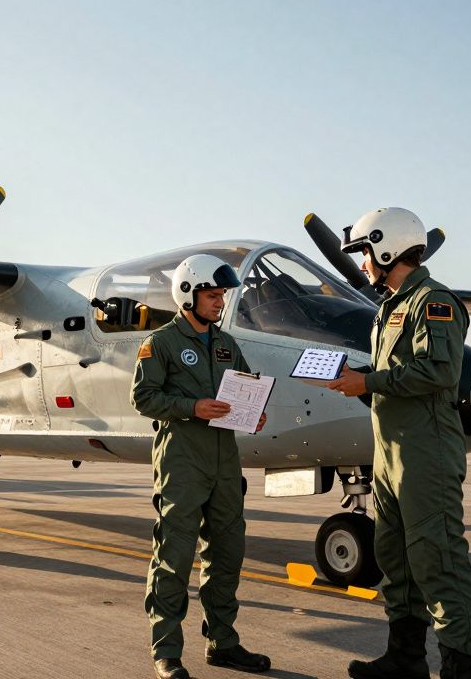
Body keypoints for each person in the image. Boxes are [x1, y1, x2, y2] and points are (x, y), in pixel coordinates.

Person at [327, 207, 471, 679]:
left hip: (424, 455)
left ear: (387, 247)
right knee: (396, 559)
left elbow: (438, 371)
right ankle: (406, 658)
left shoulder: (434, 302)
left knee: (439, 562)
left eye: (365, 254)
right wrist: (357, 383)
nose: (362, 266)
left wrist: (368, 382)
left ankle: (459, 669)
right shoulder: (389, 308)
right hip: (390, 455)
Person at [131, 254, 270, 679]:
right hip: (182, 460)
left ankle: (223, 643)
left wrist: (253, 412)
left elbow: (244, 385)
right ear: (188, 294)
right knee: (174, 556)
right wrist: (193, 407)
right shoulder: (161, 343)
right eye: (212, 295)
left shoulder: (227, 343)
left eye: (222, 296)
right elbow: (144, 398)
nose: (219, 303)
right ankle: (167, 652)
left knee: (228, 554)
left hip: (225, 460)